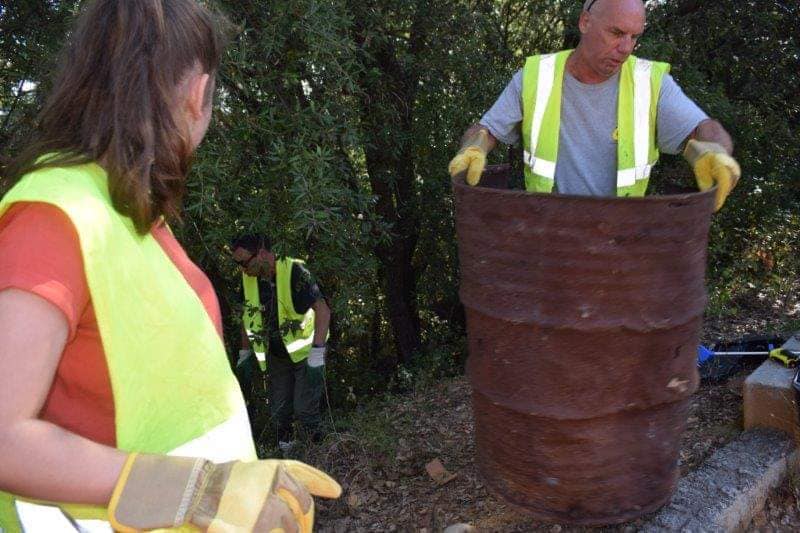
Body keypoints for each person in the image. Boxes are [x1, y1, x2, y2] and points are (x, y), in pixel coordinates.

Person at [0, 1, 339, 532]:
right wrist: (195, 488)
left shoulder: (127, 214)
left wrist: (234, 480)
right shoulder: (57, 215)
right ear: (198, 93)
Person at [448, 0, 741, 211]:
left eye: (634, 37)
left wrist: (715, 152)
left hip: (621, 241)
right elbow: (486, 130)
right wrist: (473, 148)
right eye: (616, 33)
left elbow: (705, 129)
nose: (626, 48)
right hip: (546, 236)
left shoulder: (649, 82)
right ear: (585, 22)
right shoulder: (537, 77)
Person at [231, 235, 332, 454]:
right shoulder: (250, 279)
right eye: (237, 264)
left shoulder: (295, 271)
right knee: (278, 412)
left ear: (261, 253)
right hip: (279, 355)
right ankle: (287, 452)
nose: (242, 269)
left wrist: (317, 352)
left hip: (306, 353)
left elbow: (322, 310)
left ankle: (321, 451)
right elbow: (247, 318)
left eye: (244, 262)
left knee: (305, 410)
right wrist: (244, 353)